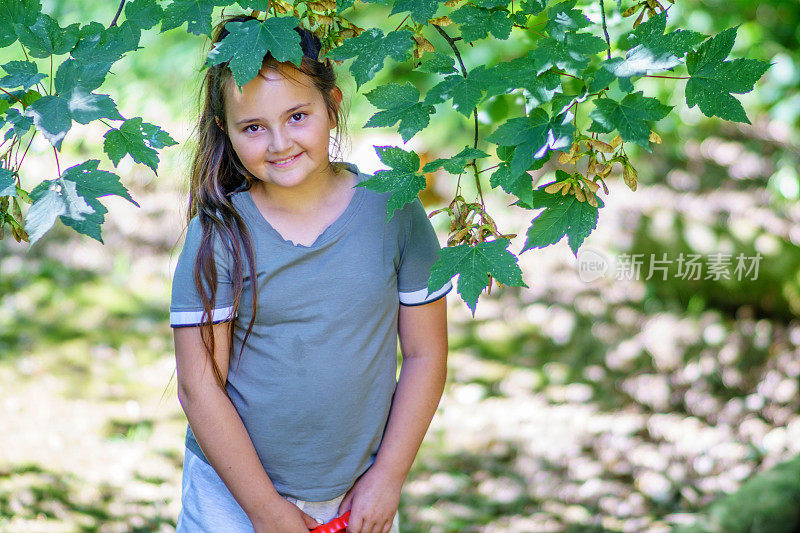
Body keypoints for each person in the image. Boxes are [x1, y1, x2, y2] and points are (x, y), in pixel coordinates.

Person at [169, 13, 452, 533]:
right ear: (224, 130)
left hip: (358, 495)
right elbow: (199, 389)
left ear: (332, 105)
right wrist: (266, 511)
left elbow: (426, 353)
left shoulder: (394, 209)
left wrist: (388, 478)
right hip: (234, 500)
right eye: (254, 127)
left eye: (297, 116)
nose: (279, 143)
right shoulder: (217, 234)